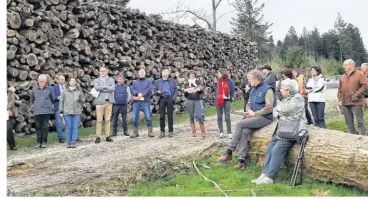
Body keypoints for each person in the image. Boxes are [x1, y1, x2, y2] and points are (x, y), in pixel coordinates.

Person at [251, 78, 306, 185]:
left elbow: (285, 109)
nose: (280, 90)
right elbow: (275, 112)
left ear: (289, 90)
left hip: (292, 130)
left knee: (277, 150)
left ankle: (270, 177)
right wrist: (280, 112)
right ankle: (264, 174)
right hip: (282, 128)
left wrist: (280, 111)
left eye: (283, 88)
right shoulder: (285, 99)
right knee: (270, 148)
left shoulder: (298, 98)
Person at [218, 70, 274, 169]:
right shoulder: (253, 89)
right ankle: (241, 161)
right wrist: (248, 112)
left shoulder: (268, 90)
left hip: (264, 118)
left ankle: (229, 151)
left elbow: (269, 108)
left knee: (240, 124)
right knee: (244, 132)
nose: (248, 81)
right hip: (254, 117)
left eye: (250, 79)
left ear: (256, 79)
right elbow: (249, 103)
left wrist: (255, 113)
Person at [338, 59, 368, 135]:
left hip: (356, 101)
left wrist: (357, 94)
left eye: (345, 65)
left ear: (352, 65)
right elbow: (339, 89)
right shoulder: (342, 76)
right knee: (348, 121)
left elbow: (365, 85)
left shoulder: (360, 74)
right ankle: (351, 136)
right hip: (345, 102)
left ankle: (363, 137)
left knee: (359, 121)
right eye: (344, 65)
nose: (344, 66)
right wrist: (340, 99)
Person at [59, 77, 85, 148]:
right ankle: (68, 142)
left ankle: (73, 141)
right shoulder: (64, 91)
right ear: (69, 82)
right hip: (67, 111)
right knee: (69, 126)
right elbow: (61, 101)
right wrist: (61, 111)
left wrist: (80, 99)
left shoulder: (79, 90)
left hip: (76, 111)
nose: (73, 82)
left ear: (75, 82)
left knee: (75, 126)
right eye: (71, 81)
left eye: (74, 81)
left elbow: (83, 99)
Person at [31, 74, 55, 148]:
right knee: (38, 126)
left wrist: (47, 104)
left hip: (46, 111)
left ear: (46, 81)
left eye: (43, 81)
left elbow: (53, 98)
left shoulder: (50, 89)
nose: (42, 82)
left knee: (45, 126)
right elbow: (32, 99)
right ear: (38, 81)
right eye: (40, 81)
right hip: (37, 111)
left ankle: (44, 142)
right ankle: (38, 142)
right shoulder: (34, 89)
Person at [93, 67, 115, 144]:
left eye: (104, 71)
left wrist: (102, 88)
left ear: (107, 72)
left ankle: (107, 136)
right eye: (101, 71)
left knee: (107, 120)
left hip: (109, 101)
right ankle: (98, 136)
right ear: (99, 72)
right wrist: (106, 87)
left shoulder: (111, 80)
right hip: (99, 102)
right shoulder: (96, 80)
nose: (102, 72)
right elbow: (96, 88)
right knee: (99, 120)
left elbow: (113, 88)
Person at [153, 69, 178, 138]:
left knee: (170, 116)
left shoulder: (172, 81)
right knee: (162, 116)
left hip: (170, 98)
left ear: (168, 73)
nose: (164, 73)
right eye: (163, 72)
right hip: (162, 99)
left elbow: (176, 90)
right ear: (161, 73)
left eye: (166, 72)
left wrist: (173, 98)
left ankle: (170, 131)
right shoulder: (157, 81)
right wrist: (158, 92)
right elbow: (154, 91)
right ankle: (162, 132)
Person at [131, 69, 153, 138]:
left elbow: (149, 89)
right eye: (140, 72)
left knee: (148, 117)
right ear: (138, 73)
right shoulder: (135, 82)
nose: (141, 73)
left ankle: (150, 132)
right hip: (136, 102)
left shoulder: (148, 81)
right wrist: (137, 93)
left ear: (145, 73)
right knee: (135, 118)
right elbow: (132, 89)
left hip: (145, 101)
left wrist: (142, 94)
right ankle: (135, 133)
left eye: (143, 72)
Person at [214, 69, 235, 139]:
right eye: (218, 73)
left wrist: (230, 97)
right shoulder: (217, 82)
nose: (218, 75)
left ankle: (229, 132)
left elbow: (232, 90)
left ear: (223, 73)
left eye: (219, 73)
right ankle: (221, 132)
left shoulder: (229, 81)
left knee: (227, 116)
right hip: (219, 100)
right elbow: (215, 91)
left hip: (227, 100)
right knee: (219, 116)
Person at [184, 72, 206, 137]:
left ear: (195, 76)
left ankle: (203, 132)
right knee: (191, 116)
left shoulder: (198, 82)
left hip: (197, 100)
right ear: (189, 76)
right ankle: (193, 132)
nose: (192, 76)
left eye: (193, 75)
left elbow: (202, 92)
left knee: (199, 116)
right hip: (189, 100)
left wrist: (200, 92)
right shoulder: (186, 83)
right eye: (191, 75)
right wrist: (186, 91)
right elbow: (185, 95)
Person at [52, 75, 66, 143]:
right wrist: (58, 97)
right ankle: (60, 138)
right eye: (60, 79)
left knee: (69, 122)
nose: (62, 81)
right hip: (58, 107)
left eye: (63, 79)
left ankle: (72, 137)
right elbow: (52, 98)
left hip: (68, 107)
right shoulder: (54, 88)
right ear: (58, 80)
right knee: (59, 123)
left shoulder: (68, 87)